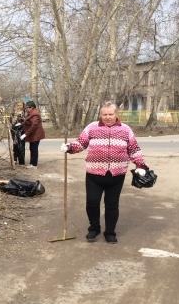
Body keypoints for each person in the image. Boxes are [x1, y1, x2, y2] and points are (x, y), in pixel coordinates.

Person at [60, 101, 148, 243]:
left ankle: (110, 232)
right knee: (92, 203)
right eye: (104, 114)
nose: (107, 117)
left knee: (112, 204)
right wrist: (69, 147)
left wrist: (140, 165)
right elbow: (81, 143)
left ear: (116, 114)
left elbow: (134, 149)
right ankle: (94, 228)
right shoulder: (92, 128)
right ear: (100, 115)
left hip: (116, 175)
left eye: (110, 114)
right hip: (94, 175)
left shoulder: (126, 130)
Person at [21, 100, 45, 168]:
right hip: (33, 135)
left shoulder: (35, 114)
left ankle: (34, 165)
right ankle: (32, 163)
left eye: (27, 108)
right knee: (32, 148)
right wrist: (22, 123)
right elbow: (29, 122)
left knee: (34, 149)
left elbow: (34, 126)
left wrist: (25, 134)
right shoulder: (31, 113)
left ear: (31, 107)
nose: (26, 109)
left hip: (36, 135)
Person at [10, 101, 26, 165]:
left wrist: (21, 121)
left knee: (21, 145)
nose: (19, 106)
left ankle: (21, 161)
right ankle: (15, 159)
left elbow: (26, 121)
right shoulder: (13, 113)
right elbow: (11, 121)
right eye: (18, 105)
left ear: (23, 106)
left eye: (20, 105)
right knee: (15, 145)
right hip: (14, 130)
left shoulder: (25, 113)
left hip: (22, 130)